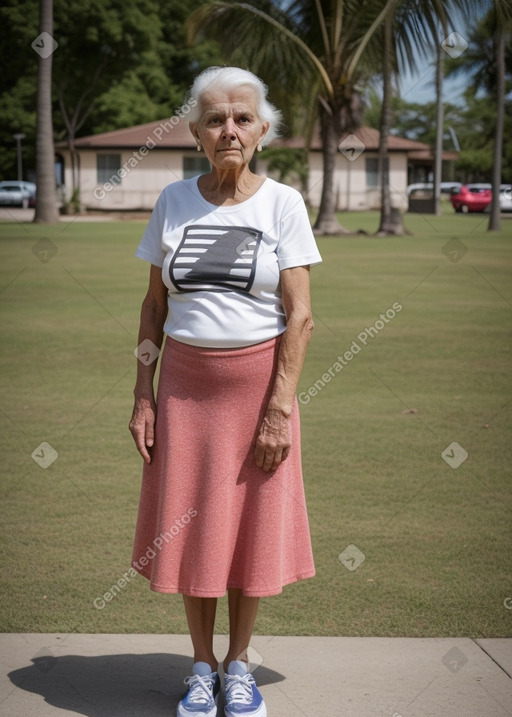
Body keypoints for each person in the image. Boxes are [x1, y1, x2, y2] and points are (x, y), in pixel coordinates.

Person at [129, 66, 322, 717]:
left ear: (262, 130)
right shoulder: (174, 202)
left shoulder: (283, 203)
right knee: (193, 530)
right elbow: (154, 308)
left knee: (249, 531)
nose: (229, 129)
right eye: (215, 118)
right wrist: (143, 395)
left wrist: (279, 408)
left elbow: (300, 317)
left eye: (242, 117)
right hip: (184, 394)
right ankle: (201, 666)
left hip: (259, 394)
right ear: (197, 132)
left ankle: (240, 664)